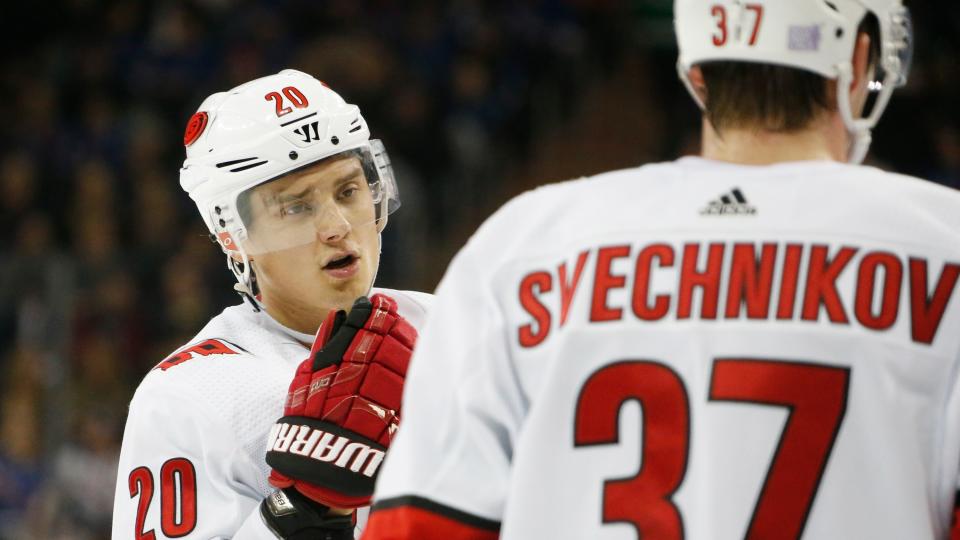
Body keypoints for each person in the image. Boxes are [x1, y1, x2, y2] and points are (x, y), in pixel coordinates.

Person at [362, 1, 960, 539]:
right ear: (857, 59)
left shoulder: (521, 243)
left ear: (697, 67)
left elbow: (425, 527)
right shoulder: (944, 240)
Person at [112, 69, 432, 539]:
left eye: (348, 190)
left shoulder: (450, 325)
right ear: (233, 236)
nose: (337, 225)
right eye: (296, 206)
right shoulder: (186, 398)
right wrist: (304, 512)